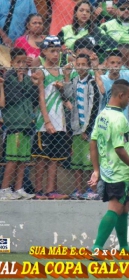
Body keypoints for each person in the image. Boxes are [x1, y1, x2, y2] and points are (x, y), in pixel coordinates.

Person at [88, 79, 129, 253]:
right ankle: (97, 247)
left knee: (124, 207)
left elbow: (93, 143)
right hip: (119, 170)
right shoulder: (120, 119)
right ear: (121, 95)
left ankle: (124, 248)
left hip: (107, 170)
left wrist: (96, 169)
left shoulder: (102, 115)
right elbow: (119, 149)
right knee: (116, 207)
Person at [0, 48, 42, 200]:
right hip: (14, 125)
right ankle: (4, 189)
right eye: (18, 62)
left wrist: (35, 84)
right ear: (11, 63)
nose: (22, 65)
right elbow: (13, 98)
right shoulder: (9, 78)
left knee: (23, 160)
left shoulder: (26, 78)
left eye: (24, 62)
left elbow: (33, 99)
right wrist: (20, 81)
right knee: (12, 159)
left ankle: (18, 188)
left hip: (26, 124)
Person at [32, 36, 70, 200]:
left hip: (59, 121)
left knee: (55, 157)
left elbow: (65, 96)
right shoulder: (42, 72)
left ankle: (50, 190)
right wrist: (46, 121)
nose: (56, 55)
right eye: (52, 51)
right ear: (44, 52)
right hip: (44, 121)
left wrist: (63, 88)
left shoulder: (61, 72)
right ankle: (39, 190)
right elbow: (41, 97)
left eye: (58, 51)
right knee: (42, 158)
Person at [64, 53, 104, 200]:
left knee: (89, 162)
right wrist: (67, 77)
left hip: (88, 129)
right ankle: (79, 190)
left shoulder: (92, 83)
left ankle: (92, 189)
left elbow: (94, 107)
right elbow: (67, 95)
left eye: (83, 65)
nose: (80, 67)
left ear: (88, 66)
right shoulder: (74, 80)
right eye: (78, 64)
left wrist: (88, 129)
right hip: (76, 127)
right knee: (77, 162)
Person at [100, 49, 129, 120]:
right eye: (112, 63)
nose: (116, 65)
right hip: (107, 119)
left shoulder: (127, 74)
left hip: (123, 119)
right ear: (106, 64)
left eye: (118, 63)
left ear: (121, 64)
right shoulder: (103, 79)